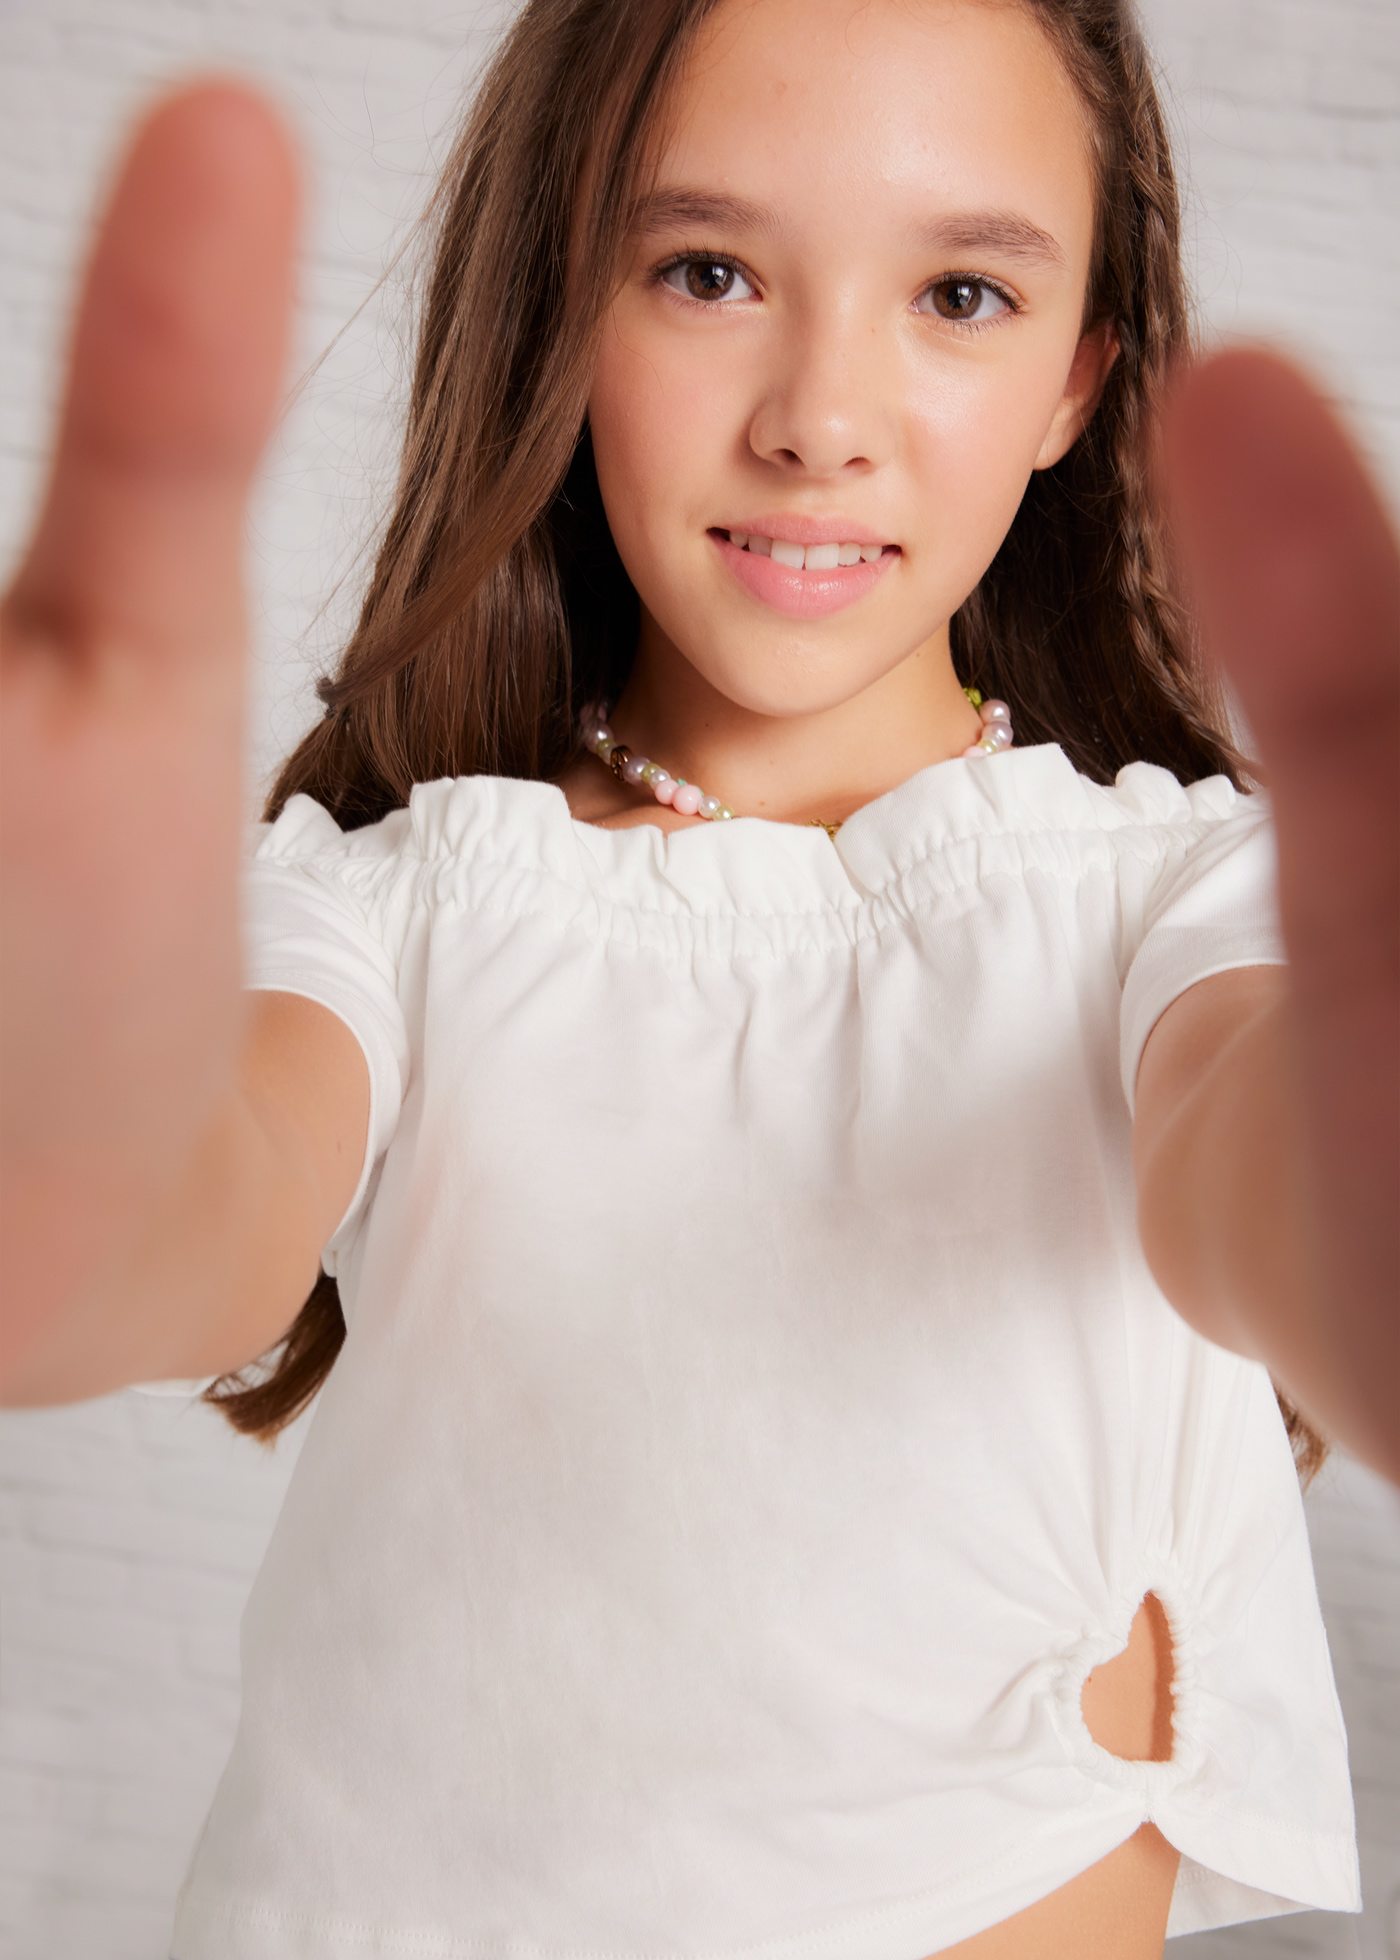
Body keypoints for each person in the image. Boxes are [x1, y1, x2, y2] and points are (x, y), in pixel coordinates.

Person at [1, 0, 1394, 1954]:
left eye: (961, 295)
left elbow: (1264, 1163)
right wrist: (69, 1147)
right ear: (565, 307)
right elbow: (196, 1188)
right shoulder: (416, 907)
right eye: (709, 270)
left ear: (1084, 374)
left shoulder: (1162, 901)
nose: (822, 413)